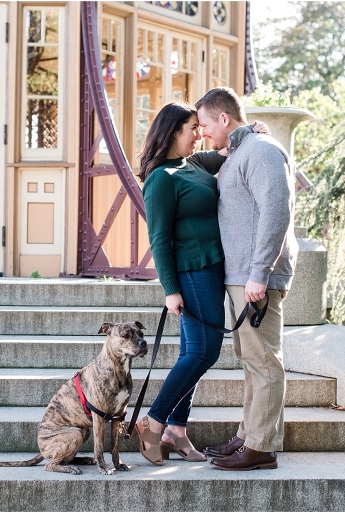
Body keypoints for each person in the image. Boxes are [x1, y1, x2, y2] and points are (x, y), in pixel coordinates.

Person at [133, 101, 266, 465]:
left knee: (191, 352)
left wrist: (250, 130)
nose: (199, 134)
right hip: (192, 271)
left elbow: (227, 150)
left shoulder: (191, 163)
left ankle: (176, 430)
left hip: (212, 268)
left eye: (199, 126)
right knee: (204, 352)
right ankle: (153, 422)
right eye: (193, 128)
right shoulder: (162, 178)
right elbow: (158, 238)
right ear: (173, 131)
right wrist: (170, 290)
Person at [195, 86, 298, 471]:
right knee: (252, 360)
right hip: (242, 274)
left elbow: (276, 211)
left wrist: (259, 273)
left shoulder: (262, 151)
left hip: (256, 277)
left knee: (265, 361)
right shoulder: (241, 150)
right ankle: (249, 436)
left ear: (223, 118)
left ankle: (261, 447)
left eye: (205, 124)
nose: (202, 132)